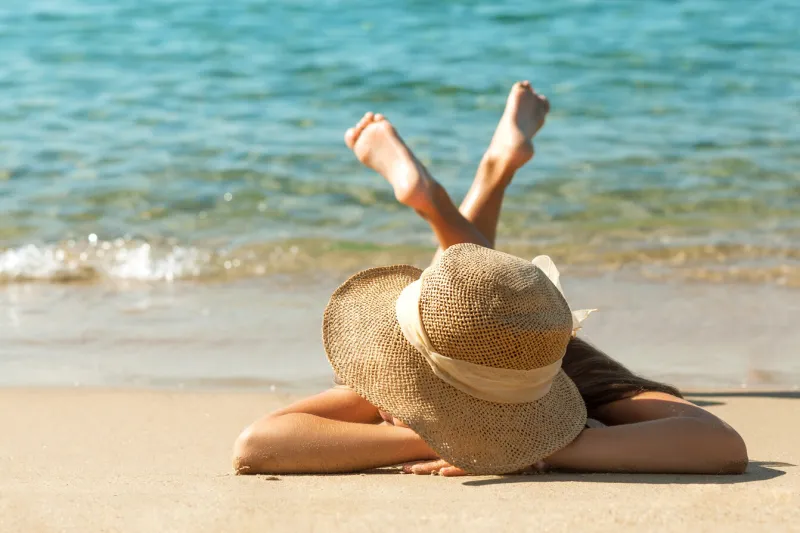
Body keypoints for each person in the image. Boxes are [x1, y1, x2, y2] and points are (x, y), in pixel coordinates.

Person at [232, 82, 748, 476]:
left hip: (525, 352)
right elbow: (257, 445)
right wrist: (450, 440)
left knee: (480, 305)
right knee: (472, 298)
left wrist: (540, 445)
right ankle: (484, 175)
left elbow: (724, 447)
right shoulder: (410, 371)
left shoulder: (560, 373)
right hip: (477, 339)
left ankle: (463, 187)